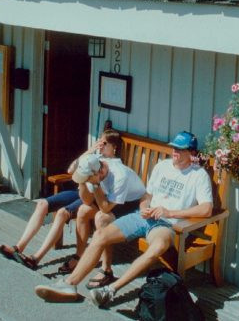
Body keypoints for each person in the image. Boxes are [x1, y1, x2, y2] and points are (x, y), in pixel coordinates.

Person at [34, 130, 213, 306]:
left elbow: (206, 209)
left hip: (167, 225)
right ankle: (69, 285)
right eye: (174, 148)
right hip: (143, 217)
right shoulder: (162, 166)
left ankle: (110, 290)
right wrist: (144, 208)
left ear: (192, 153)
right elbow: (147, 196)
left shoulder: (198, 175)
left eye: (180, 149)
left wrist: (170, 213)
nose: (175, 152)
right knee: (101, 235)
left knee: (157, 246)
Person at [0, 128, 123, 270]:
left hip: (91, 198)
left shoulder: (114, 166)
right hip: (79, 191)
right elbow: (70, 170)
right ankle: (18, 248)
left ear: (114, 148)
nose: (100, 145)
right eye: (99, 141)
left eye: (104, 143)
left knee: (62, 213)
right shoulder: (96, 157)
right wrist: (90, 151)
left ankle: (35, 258)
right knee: (42, 204)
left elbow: (102, 192)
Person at [68, 142, 146, 287]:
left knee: (101, 218)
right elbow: (86, 200)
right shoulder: (95, 166)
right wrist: (84, 183)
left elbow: (104, 208)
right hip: (110, 199)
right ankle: (79, 255)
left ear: (100, 173)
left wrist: (96, 184)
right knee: (84, 210)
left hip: (132, 203)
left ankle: (106, 270)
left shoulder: (119, 176)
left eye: (87, 178)